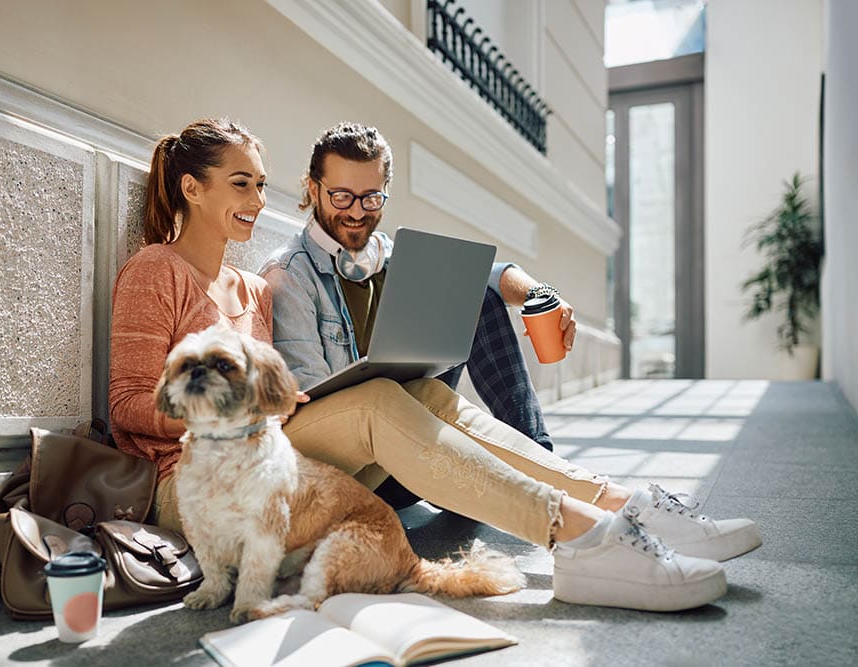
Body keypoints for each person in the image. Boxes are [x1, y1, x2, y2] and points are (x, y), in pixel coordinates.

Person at [109, 118, 761, 613]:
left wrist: (274, 406)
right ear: (191, 188)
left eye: (259, 182)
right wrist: (230, 414)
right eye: (240, 182)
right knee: (380, 402)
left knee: (423, 388)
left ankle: (614, 505)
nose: (257, 196)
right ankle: (583, 538)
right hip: (189, 480)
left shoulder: (251, 288)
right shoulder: (156, 270)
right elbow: (128, 405)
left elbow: (280, 395)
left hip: (271, 460)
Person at [260, 122, 568, 454]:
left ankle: (539, 453)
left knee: (478, 294)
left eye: (371, 198)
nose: (356, 211)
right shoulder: (289, 274)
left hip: (419, 427)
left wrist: (542, 295)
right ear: (313, 188)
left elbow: (480, 275)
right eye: (342, 196)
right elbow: (319, 412)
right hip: (364, 449)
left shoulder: (387, 254)